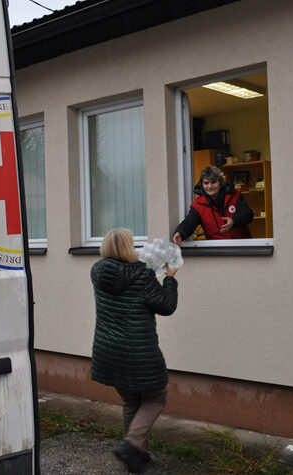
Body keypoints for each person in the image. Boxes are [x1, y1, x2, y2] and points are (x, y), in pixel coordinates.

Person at [90, 228, 179, 473]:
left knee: (131, 401)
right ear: (129, 247)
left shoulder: (97, 272)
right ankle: (132, 443)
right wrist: (170, 278)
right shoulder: (142, 275)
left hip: (108, 350)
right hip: (138, 351)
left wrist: (169, 249)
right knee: (156, 397)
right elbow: (166, 305)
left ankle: (136, 455)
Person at [172, 166, 253, 245]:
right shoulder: (198, 205)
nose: (210, 186)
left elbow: (248, 214)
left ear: (220, 182)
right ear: (201, 185)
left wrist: (234, 221)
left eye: (213, 182)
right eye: (206, 183)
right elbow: (189, 222)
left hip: (242, 246)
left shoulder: (235, 195)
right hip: (216, 249)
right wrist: (180, 233)